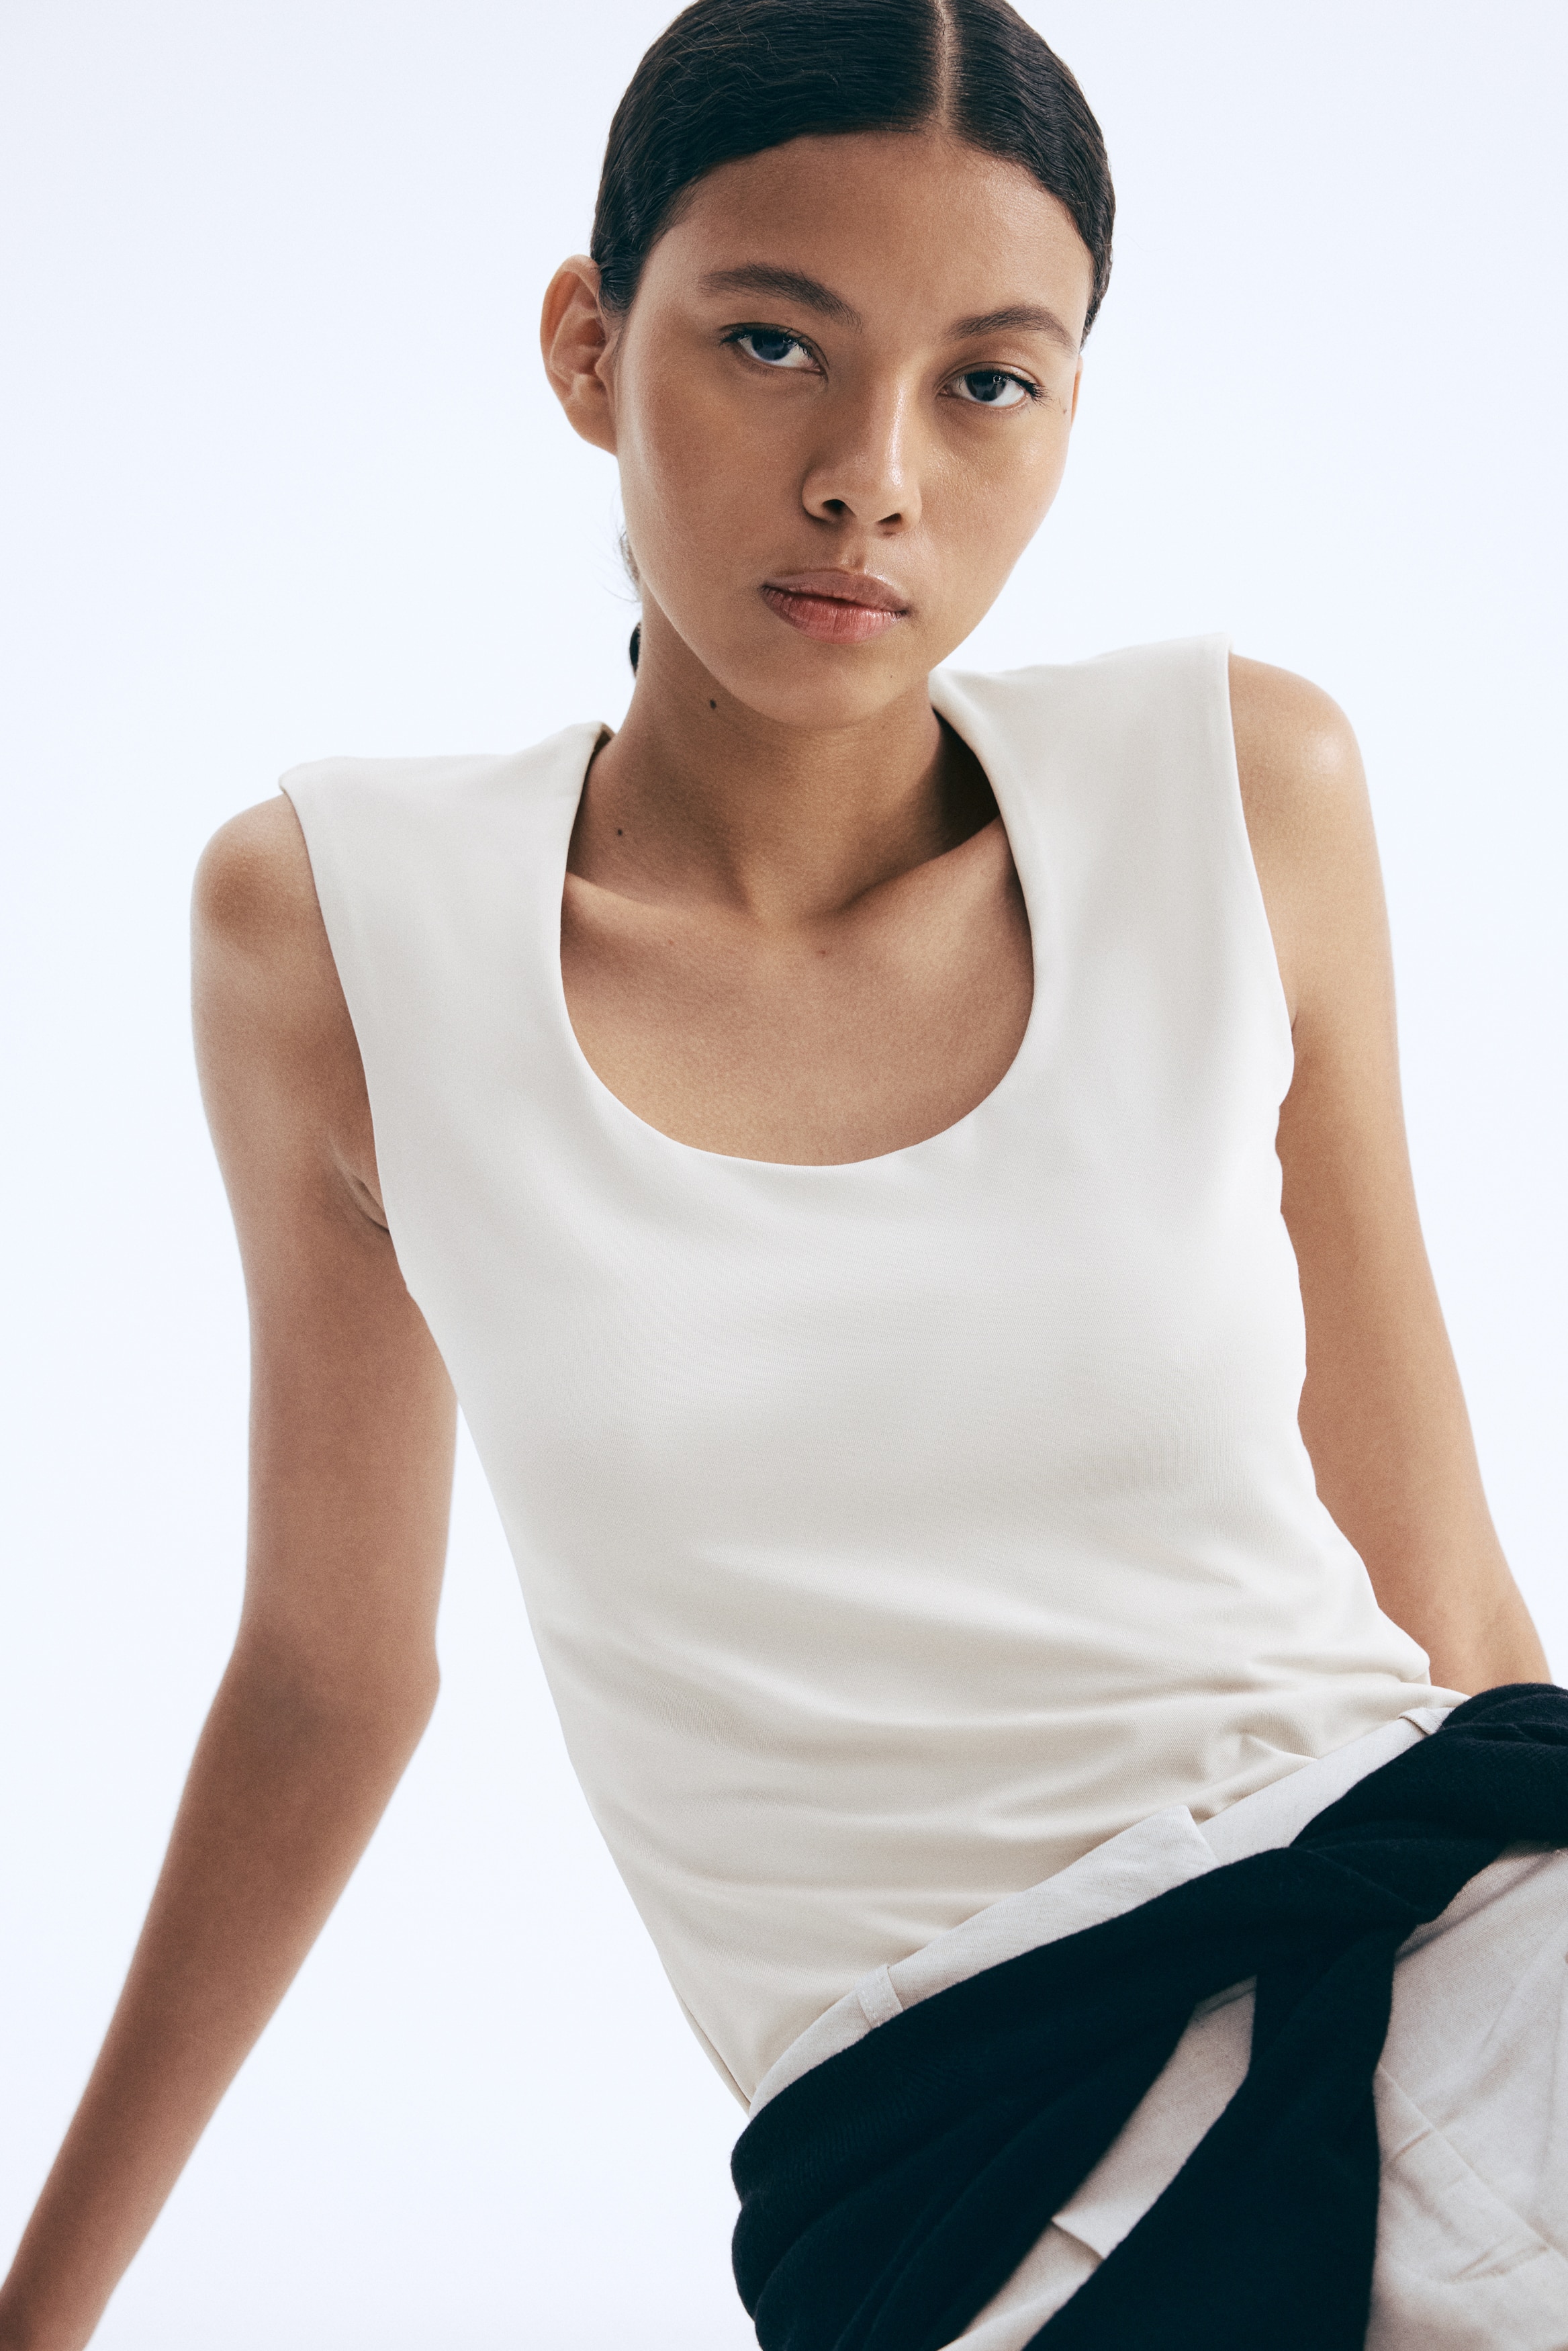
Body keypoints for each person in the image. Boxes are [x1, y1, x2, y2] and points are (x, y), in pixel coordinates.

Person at [1, 2, 1560, 2346]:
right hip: (953, 2132)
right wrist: (40, 2306)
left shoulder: (1239, 786)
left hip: (1460, 1930)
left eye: (988, 381)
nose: (871, 478)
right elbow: (331, 1673)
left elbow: (1440, 1580)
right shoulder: (337, 931)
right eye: (771, 344)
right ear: (587, 343)